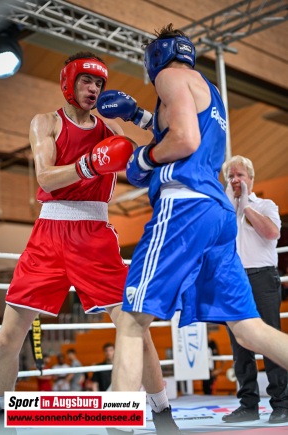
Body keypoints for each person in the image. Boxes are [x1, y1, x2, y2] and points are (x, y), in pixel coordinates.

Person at [96, 23, 288, 412]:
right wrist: (142, 117)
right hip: (216, 215)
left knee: (132, 320)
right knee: (250, 330)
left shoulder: (167, 76)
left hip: (183, 208)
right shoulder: (208, 90)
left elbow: (184, 139)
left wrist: (144, 158)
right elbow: (185, 130)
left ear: (155, 57)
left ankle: (115, 421)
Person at [0, 51, 179, 434]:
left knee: (133, 325)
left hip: (94, 234)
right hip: (48, 234)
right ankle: (3, 417)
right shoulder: (45, 122)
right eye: (86, 81)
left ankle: (162, 412)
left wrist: (141, 117)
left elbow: (153, 152)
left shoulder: (111, 128)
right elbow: (45, 178)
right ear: (68, 82)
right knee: (7, 337)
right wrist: (89, 165)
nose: (93, 89)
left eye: (99, 83)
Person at [221, 155, 288, 423]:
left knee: (269, 341)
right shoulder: (224, 209)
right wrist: (229, 204)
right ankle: (247, 404)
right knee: (240, 345)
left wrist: (246, 205)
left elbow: (272, 233)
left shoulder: (266, 205)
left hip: (261, 277)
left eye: (240, 175)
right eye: (231, 176)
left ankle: (282, 403)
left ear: (250, 178)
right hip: (231, 279)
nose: (236, 180)